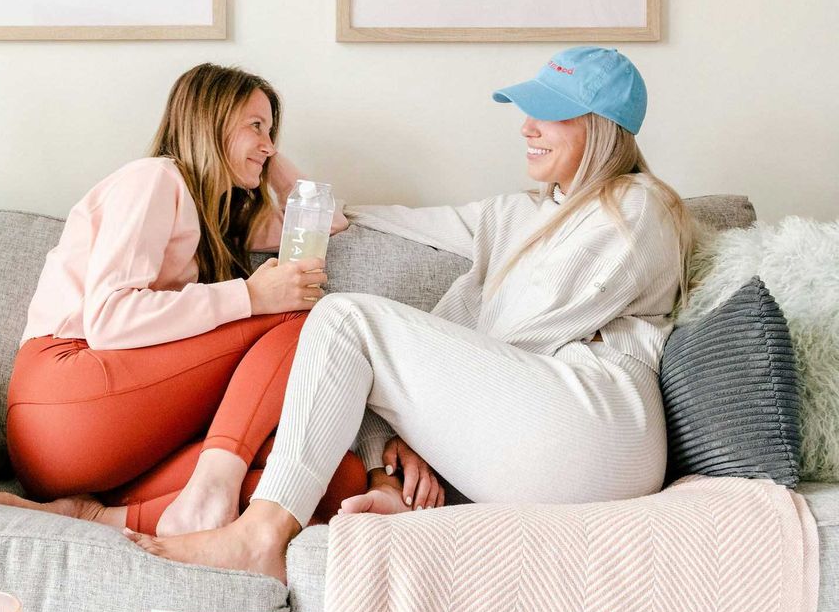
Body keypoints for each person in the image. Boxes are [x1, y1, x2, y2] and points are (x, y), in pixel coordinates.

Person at [135, 46, 694, 580]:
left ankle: (259, 537)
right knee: (353, 349)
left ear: (598, 125)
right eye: (528, 112)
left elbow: (523, 334)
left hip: (603, 428)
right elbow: (360, 219)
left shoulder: (637, 205)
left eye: (548, 113)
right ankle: (391, 492)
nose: (527, 127)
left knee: (345, 320)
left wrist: (425, 416)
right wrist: (272, 158)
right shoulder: (518, 213)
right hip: (539, 434)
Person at [0, 63, 437, 536]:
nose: (269, 143)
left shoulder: (216, 217)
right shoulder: (153, 178)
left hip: (110, 442)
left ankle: (96, 515)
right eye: (255, 125)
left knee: (339, 480)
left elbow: (326, 219)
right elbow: (110, 317)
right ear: (208, 122)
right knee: (306, 314)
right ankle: (213, 486)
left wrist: (263, 153)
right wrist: (250, 295)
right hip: (67, 393)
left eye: (272, 131)